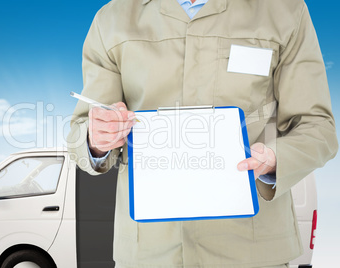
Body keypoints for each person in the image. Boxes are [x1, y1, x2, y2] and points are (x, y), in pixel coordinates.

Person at [67, 0, 338, 267]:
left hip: (252, 253)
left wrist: (273, 159)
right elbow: (82, 131)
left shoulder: (285, 11)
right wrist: (97, 140)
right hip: (148, 254)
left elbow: (318, 127)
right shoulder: (112, 19)